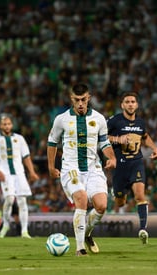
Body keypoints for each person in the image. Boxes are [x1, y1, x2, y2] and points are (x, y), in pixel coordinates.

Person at [47, 83, 116, 256]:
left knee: (101, 206)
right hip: (71, 168)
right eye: (77, 100)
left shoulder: (99, 119)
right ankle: (80, 249)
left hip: (94, 168)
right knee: (82, 199)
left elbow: (104, 142)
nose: (80, 103)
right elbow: (52, 142)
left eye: (83, 99)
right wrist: (51, 166)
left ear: (88, 98)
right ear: (71, 99)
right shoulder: (61, 119)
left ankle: (87, 234)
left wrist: (112, 157)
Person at [107, 92, 157, 244]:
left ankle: (143, 229)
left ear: (136, 105)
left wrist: (154, 148)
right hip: (120, 165)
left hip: (136, 163)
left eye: (133, 101)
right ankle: (116, 192)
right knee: (120, 202)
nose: (130, 104)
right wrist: (118, 139)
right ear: (122, 105)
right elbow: (100, 136)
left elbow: (145, 136)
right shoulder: (114, 121)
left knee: (140, 196)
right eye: (127, 102)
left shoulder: (141, 123)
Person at [0, 114, 39, 238]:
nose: (7, 126)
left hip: (19, 173)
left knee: (22, 201)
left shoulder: (20, 138)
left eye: (9, 124)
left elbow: (26, 156)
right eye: (4, 124)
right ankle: (5, 224)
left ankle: (24, 231)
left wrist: (32, 172)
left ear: (12, 125)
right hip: (5, 174)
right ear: (0, 126)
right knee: (10, 199)